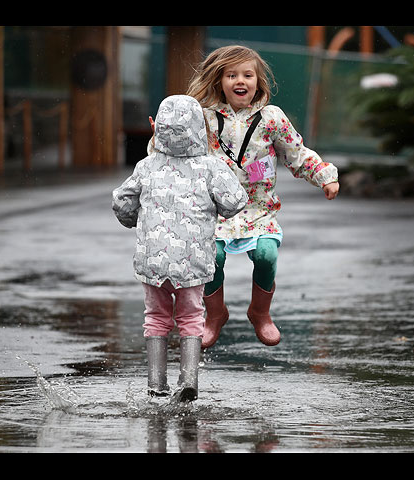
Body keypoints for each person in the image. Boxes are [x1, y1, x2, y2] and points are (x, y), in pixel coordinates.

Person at [185, 45, 340, 349]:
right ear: (219, 80)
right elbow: (174, 147)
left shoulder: (271, 118)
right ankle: (214, 315)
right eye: (231, 75)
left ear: (257, 81)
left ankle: (260, 313)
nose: (240, 80)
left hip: (258, 209)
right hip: (215, 210)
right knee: (211, 257)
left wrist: (324, 175)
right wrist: (162, 135)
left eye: (247, 74)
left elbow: (297, 154)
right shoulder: (203, 117)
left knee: (267, 255)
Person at [112, 95, 248, 401]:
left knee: (156, 317)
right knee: (191, 317)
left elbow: (121, 201)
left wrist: (135, 221)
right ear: (200, 128)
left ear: (157, 128)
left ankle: (155, 384)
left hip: (153, 260)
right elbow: (235, 201)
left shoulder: (147, 166)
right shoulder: (211, 167)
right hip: (193, 261)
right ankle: (189, 381)